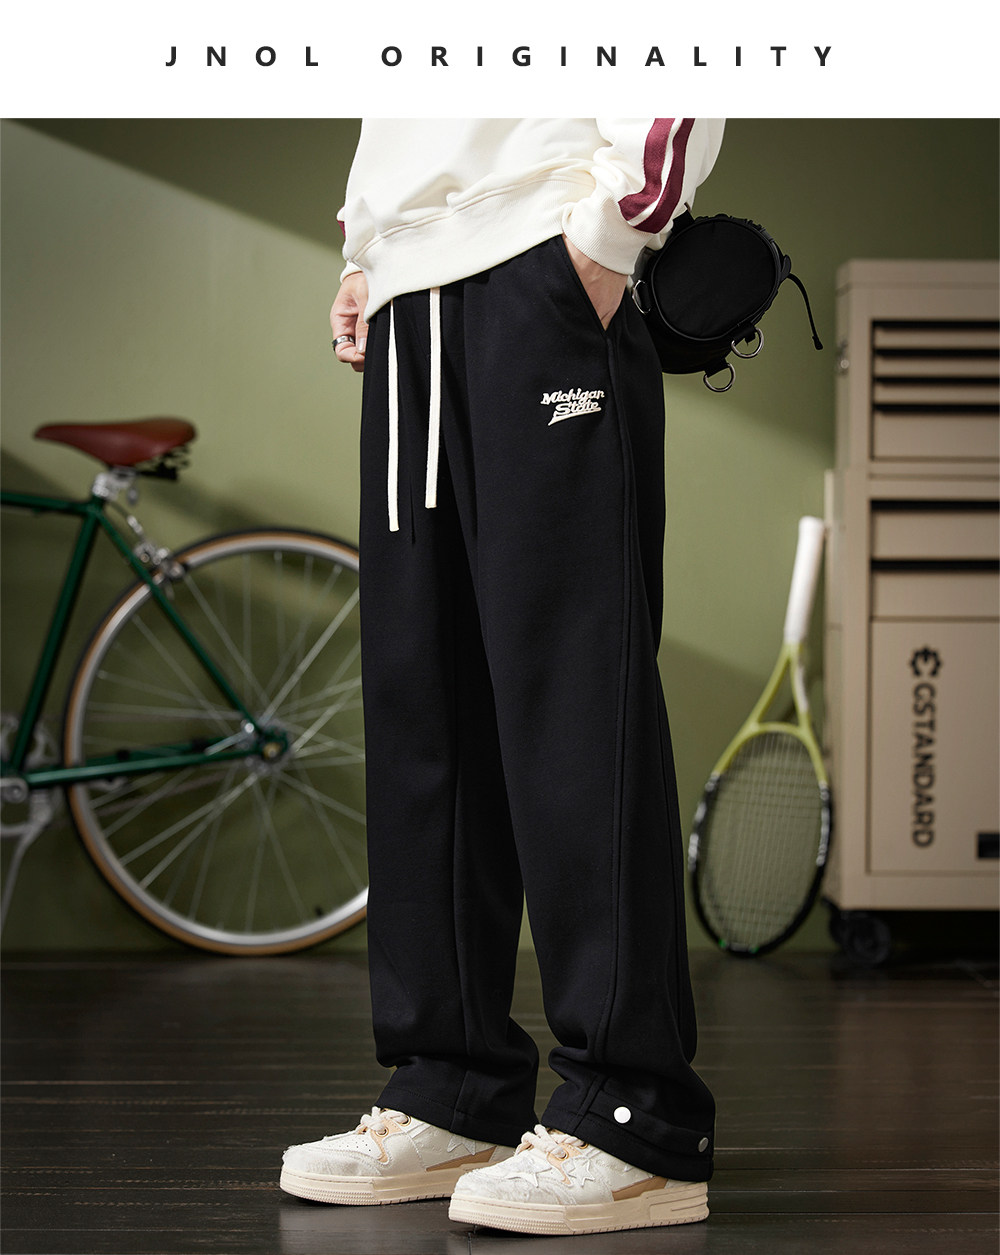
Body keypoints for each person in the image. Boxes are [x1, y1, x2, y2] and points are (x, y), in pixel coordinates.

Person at [281, 117, 725, 1238]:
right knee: (424, 705)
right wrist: (371, 249)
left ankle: (636, 1115)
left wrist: (609, 236)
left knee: (573, 699)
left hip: (543, 264)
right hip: (411, 299)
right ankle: (453, 1084)